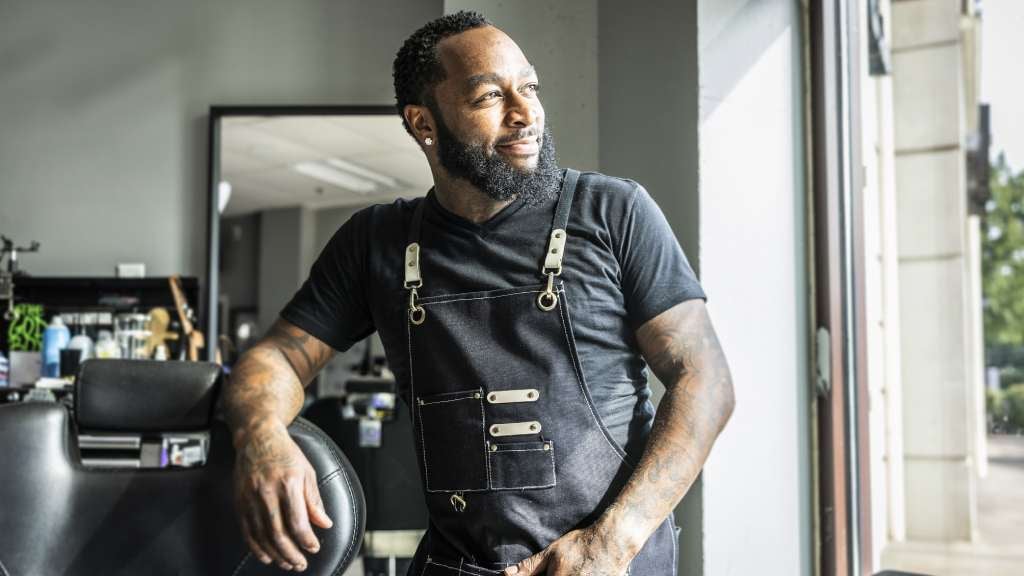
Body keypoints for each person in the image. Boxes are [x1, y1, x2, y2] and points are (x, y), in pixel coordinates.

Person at [224, 10, 734, 576]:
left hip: (613, 562)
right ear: (424, 123)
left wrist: (613, 540)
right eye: (490, 96)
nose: (525, 114)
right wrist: (264, 437)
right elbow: (275, 359)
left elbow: (705, 379)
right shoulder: (378, 243)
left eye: (530, 88)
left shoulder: (614, 212)